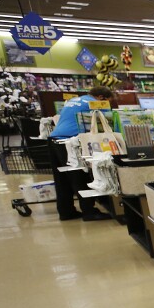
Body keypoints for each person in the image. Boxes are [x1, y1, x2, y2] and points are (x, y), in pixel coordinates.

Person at [49, 86, 114, 221]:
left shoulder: (76, 100)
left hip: (54, 139)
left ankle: (66, 212)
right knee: (80, 176)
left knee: (62, 180)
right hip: (69, 141)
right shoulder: (94, 104)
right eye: (109, 101)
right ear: (102, 98)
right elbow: (108, 121)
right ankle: (89, 212)